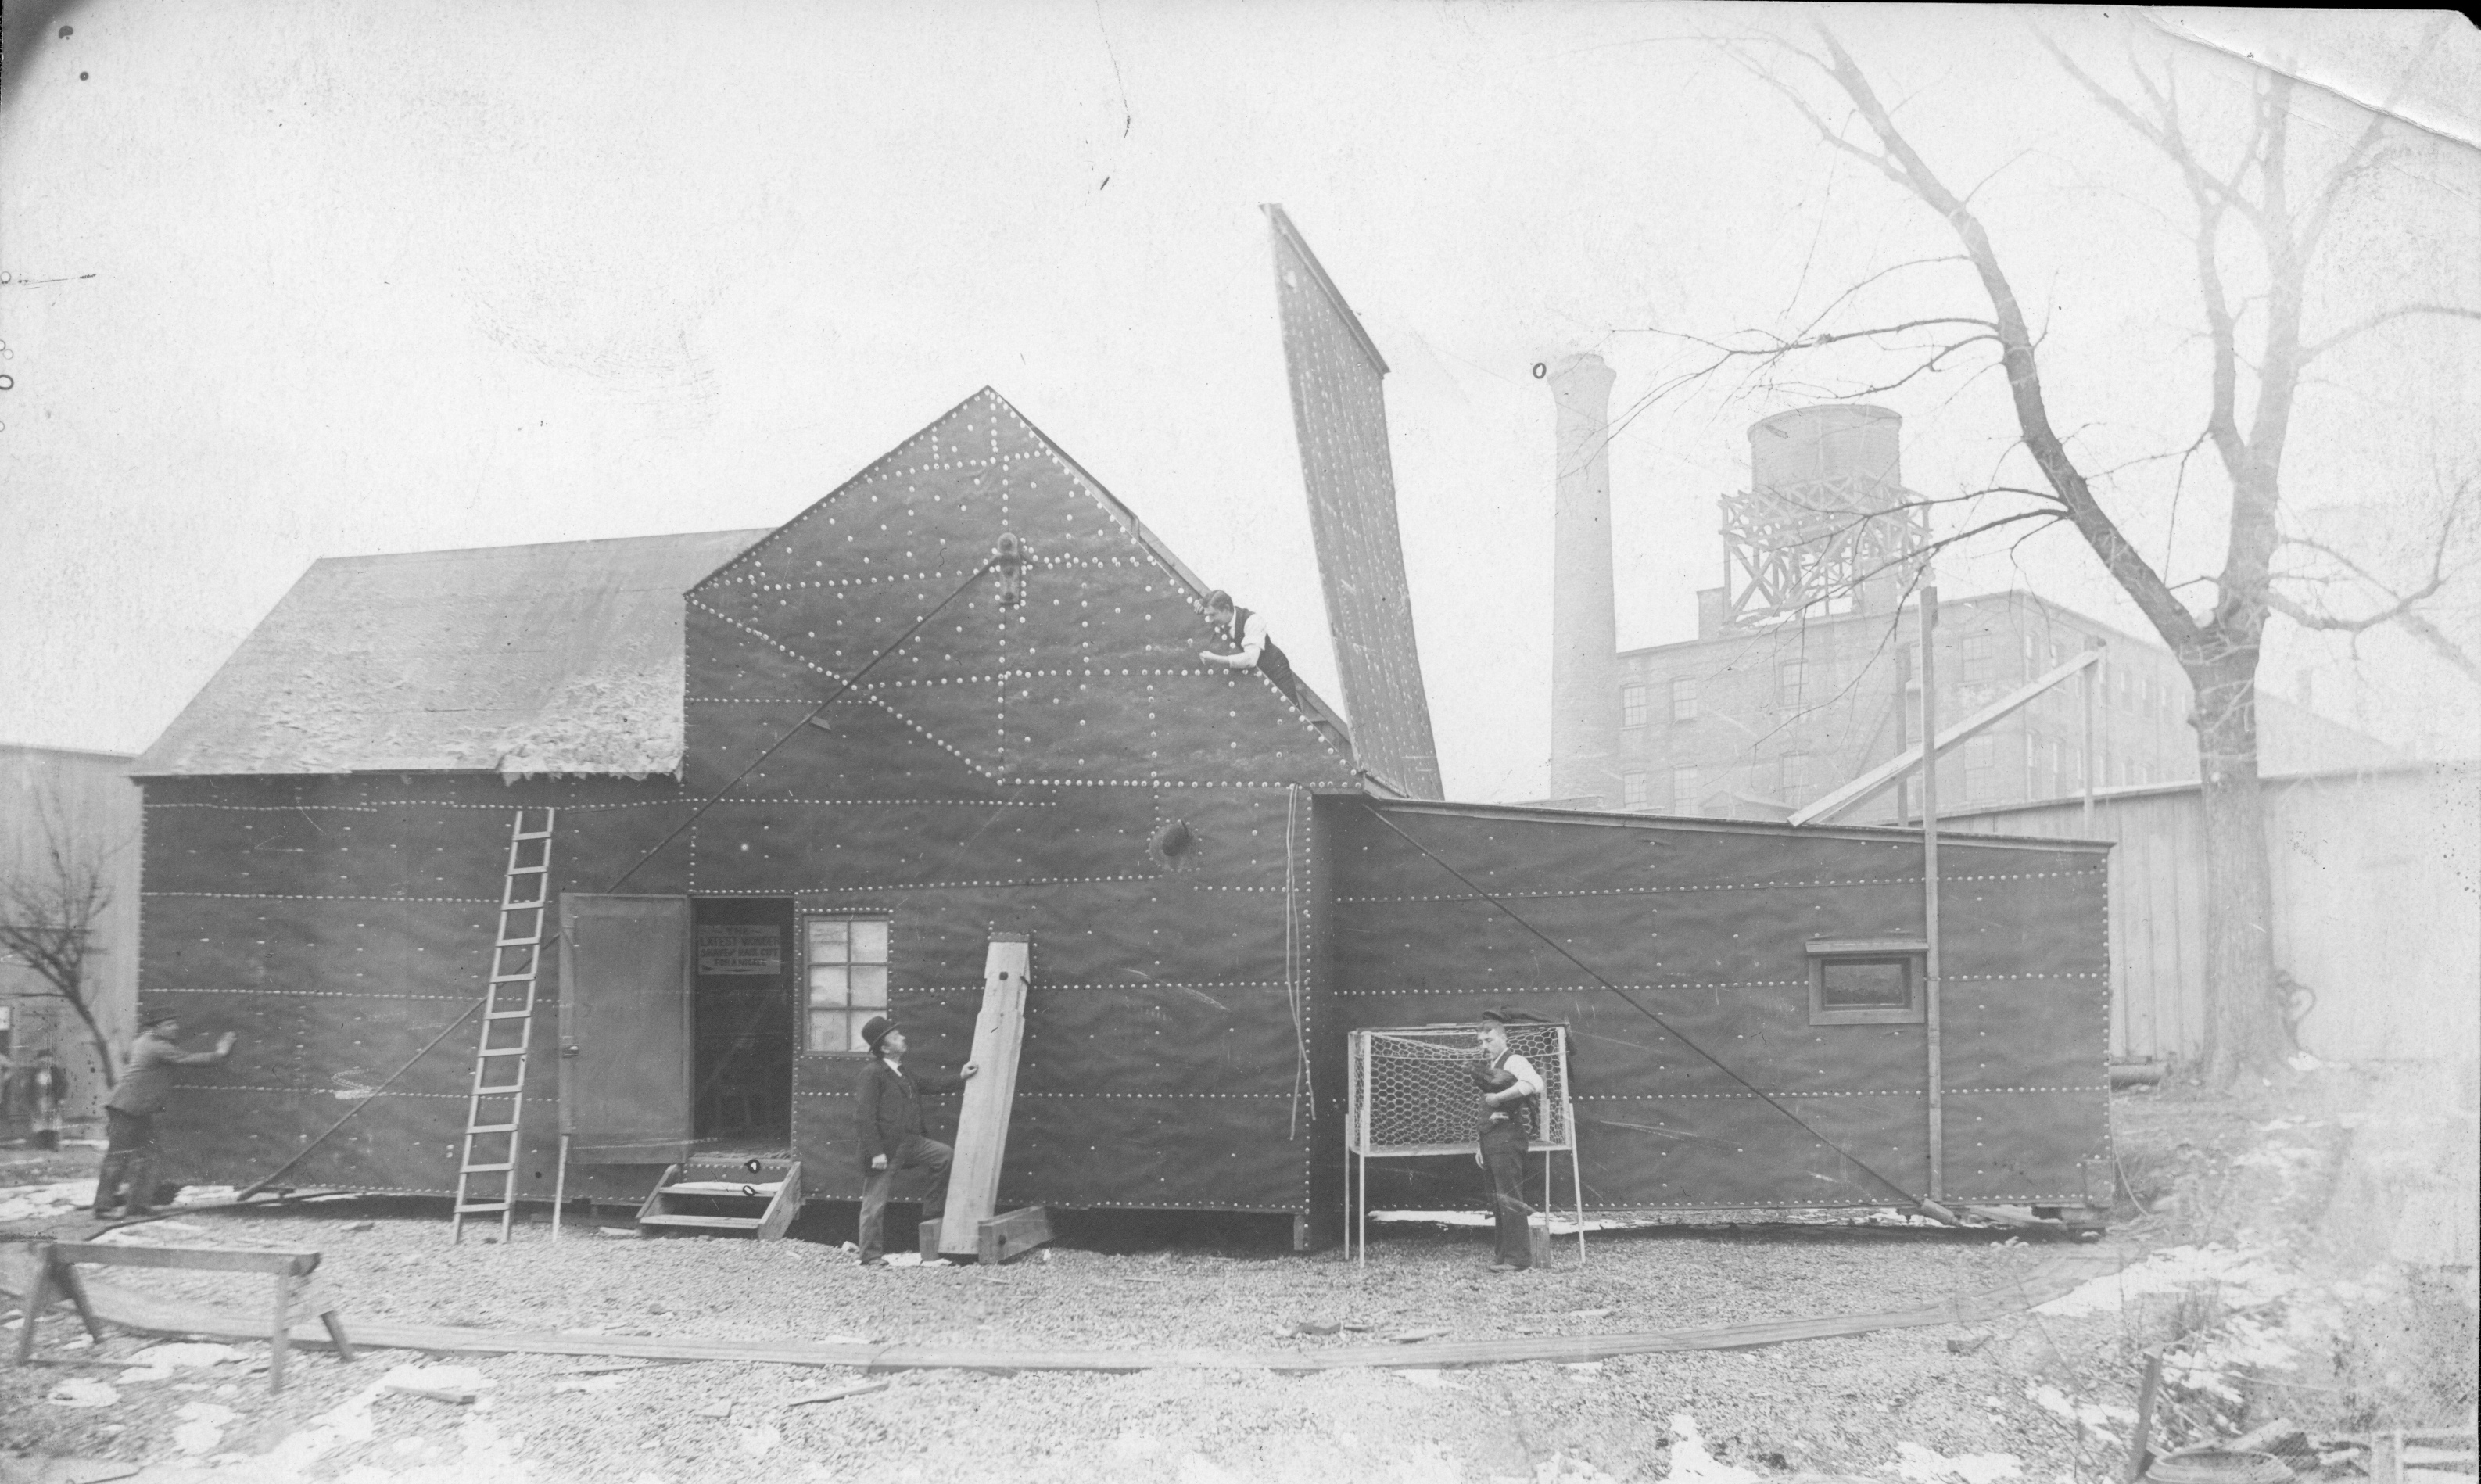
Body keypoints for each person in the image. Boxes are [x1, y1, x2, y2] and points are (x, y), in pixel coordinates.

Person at [853, 1014, 978, 1267]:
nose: (903, 1038)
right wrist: (876, 1152)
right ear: (885, 1048)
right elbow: (864, 1117)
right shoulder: (872, 1073)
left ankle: (932, 1214)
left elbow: (929, 1085)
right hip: (885, 1151)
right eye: (896, 1037)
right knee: (874, 1204)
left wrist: (961, 1077)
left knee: (944, 1156)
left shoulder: (903, 1071)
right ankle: (869, 1255)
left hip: (912, 1143)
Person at [93, 1009, 236, 1219]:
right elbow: (186, 1059)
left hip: (138, 1109)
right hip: (128, 1108)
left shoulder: (144, 1040)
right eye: (169, 1025)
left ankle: (138, 1206)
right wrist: (221, 1053)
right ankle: (103, 1208)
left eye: (175, 1024)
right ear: (156, 1028)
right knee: (118, 1158)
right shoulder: (156, 1046)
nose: (175, 1028)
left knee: (149, 1157)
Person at [1471, 1016, 1546, 1272]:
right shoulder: (1491, 1064)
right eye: (1481, 1041)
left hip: (1508, 1139)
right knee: (1498, 1200)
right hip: (1492, 1140)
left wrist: (1500, 1097)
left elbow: (1535, 1084)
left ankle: (1519, 1259)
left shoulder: (1515, 1061)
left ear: (1504, 1038)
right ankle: (1503, 1257)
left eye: (1489, 1040)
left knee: (1509, 1198)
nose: (1484, 1045)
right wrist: (1481, 1145)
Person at [1198, 590, 1298, 694]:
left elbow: (1251, 659)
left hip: (1275, 672)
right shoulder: (1222, 621)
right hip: (1253, 676)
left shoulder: (1253, 621)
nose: (1210, 620)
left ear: (1226, 609)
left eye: (1213, 615)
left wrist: (1217, 659)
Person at [24, 1048, 70, 1152]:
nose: (44, 1065)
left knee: (52, 1123)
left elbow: (63, 1085)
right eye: (42, 1063)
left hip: (52, 1102)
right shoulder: (34, 1074)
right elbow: (29, 1088)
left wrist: (61, 1099)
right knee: (39, 1124)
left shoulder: (56, 1074)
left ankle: (53, 1145)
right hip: (38, 1103)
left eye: (47, 1062)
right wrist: (30, 1102)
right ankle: (40, 1145)